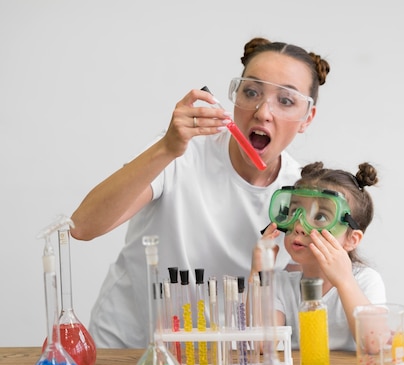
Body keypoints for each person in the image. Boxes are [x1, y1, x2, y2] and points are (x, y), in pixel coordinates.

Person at [70, 38, 331, 348]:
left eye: (285, 100)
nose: (263, 112)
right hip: (130, 348)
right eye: (251, 92)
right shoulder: (181, 152)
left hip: (222, 359)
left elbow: (292, 298)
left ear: (307, 118)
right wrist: (166, 148)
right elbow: (83, 227)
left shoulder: (300, 195)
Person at [251, 161, 386, 351]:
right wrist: (259, 275)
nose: (299, 226)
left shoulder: (365, 281)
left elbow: (374, 344)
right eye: (294, 212)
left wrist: (345, 281)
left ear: (352, 239)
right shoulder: (279, 285)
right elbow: (262, 345)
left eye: (321, 217)